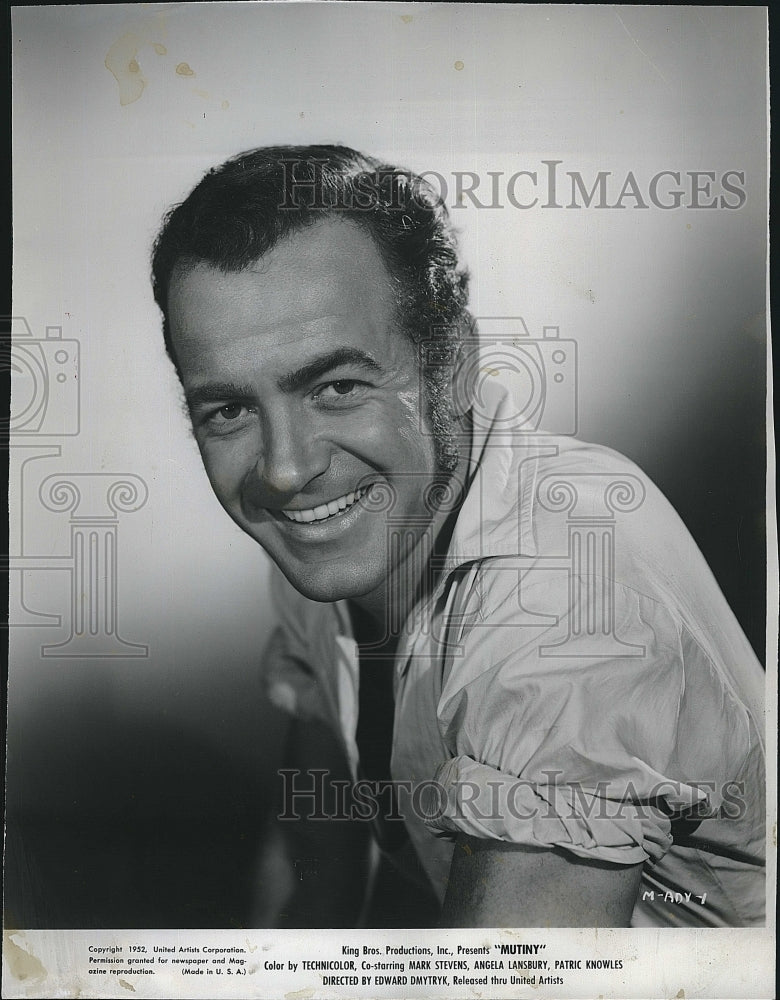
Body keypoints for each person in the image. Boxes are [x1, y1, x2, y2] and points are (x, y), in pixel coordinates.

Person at [152, 144, 765, 928]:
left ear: (453, 367)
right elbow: (315, 853)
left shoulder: (569, 596)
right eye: (229, 410)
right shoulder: (334, 534)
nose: (283, 469)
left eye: (338, 387)